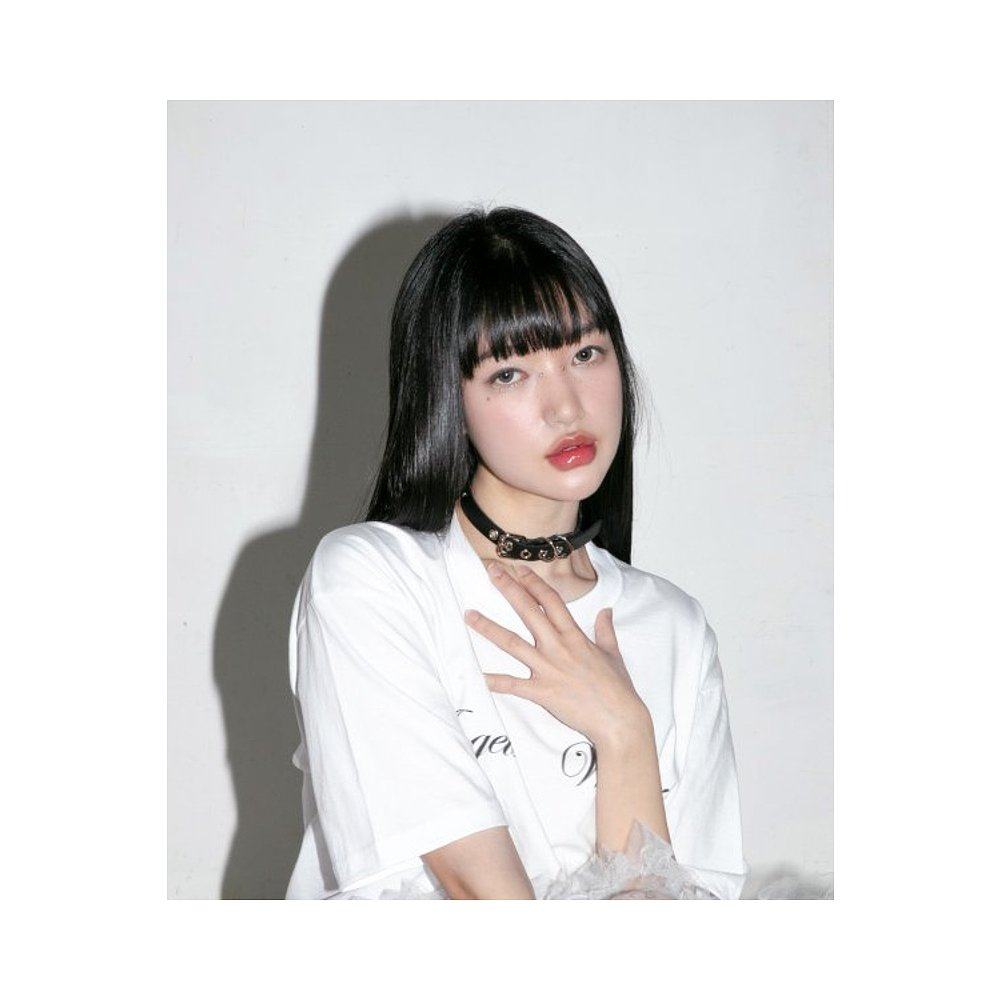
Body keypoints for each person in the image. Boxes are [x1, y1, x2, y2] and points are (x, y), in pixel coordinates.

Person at [284, 206, 750, 899]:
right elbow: (480, 893)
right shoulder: (372, 581)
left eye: (585, 354)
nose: (566, 407)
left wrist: (625, 732)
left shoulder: (675, 627)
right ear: (448, 397)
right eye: (509, 373)